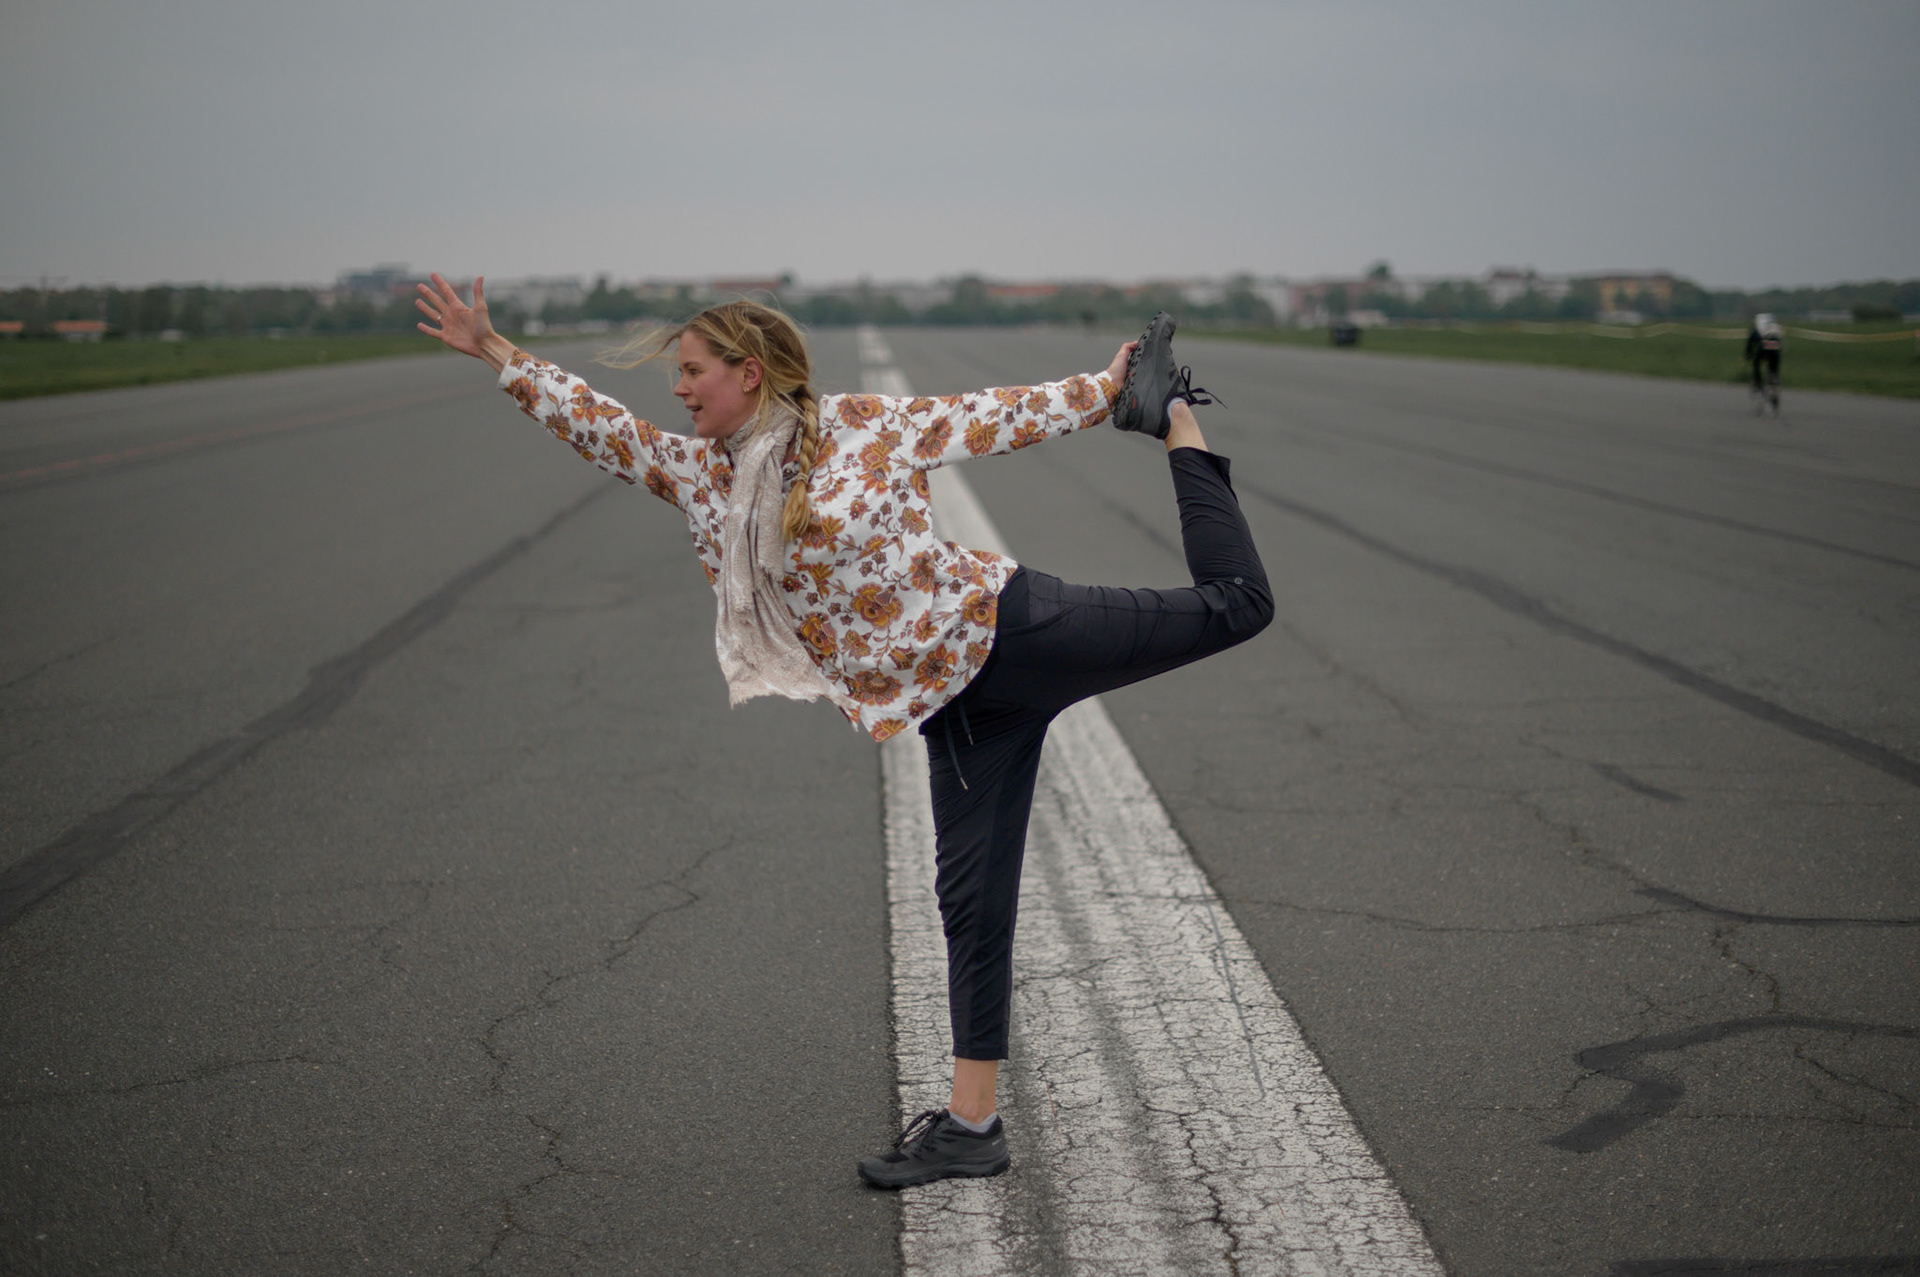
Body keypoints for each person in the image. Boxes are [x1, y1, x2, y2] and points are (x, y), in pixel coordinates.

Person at [414, 275, 1273, 1188]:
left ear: (748, 373)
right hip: (955, 711)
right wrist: (498, 352)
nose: (679, 390)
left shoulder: (861, 426)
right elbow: (600, 426)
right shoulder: (703, 476)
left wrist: (1113, 391)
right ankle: (972, 1127)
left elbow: (988, 417)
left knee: (1238, 605)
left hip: (1012, 632)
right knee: (970, 907)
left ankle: (1177, 416)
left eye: (693, 371)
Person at [1745, 312, 1783, 408]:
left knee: (1756, 363)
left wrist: (1747, 357)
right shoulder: (1775, 327)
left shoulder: (1757, 329)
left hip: (1764, 347)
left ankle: (1758, 383)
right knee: (1773, 368)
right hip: (1775, 348)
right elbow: (1780, 342)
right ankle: (1774, 381)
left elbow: (1750, 345)